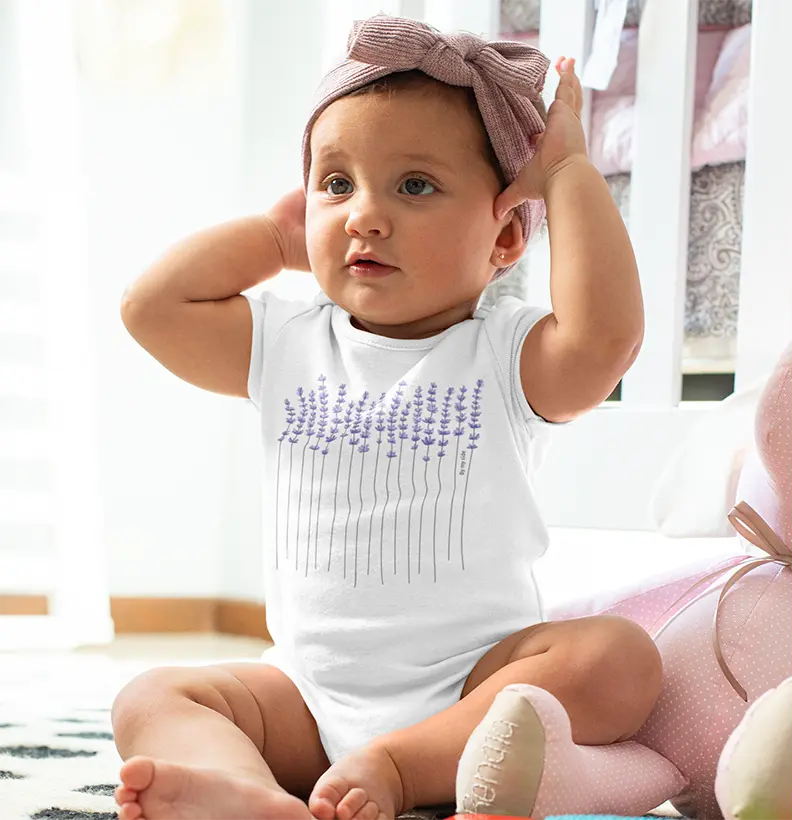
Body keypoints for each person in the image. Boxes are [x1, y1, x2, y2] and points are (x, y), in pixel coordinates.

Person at [112, 14, 659, 820]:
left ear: (507, 236)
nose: (363, 216)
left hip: (474, 692)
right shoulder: (286, 343)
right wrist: (275, 238)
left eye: (415, 186)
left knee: (619, 660)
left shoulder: (505, 355)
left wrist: (569, 171)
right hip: (304, 697)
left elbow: (605, 338)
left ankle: (402, 768)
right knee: (151, 697)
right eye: (337, 185)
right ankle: (253, 796)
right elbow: (150, 309)